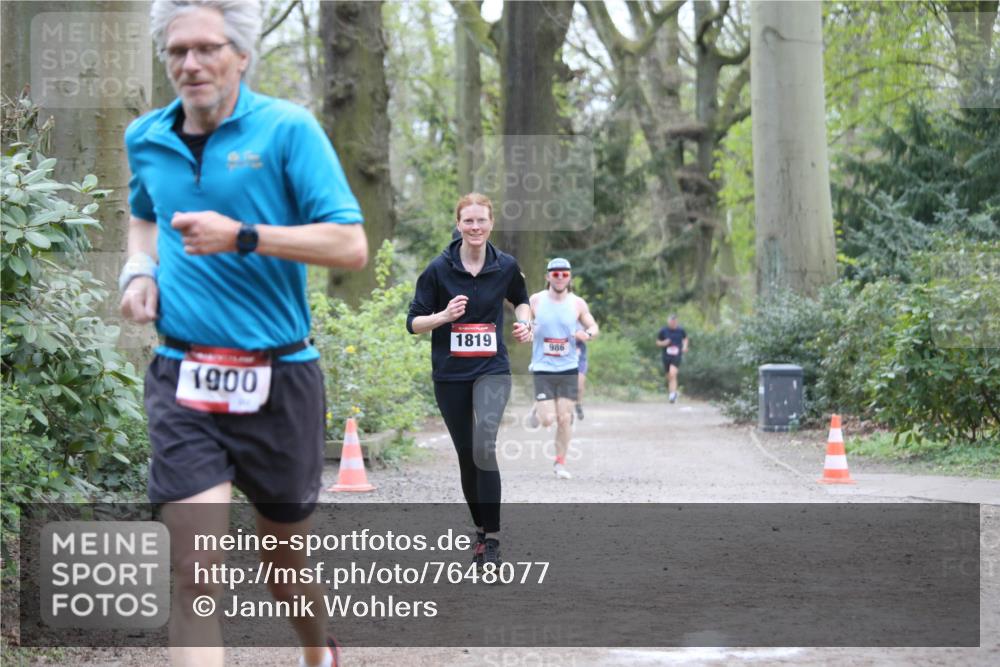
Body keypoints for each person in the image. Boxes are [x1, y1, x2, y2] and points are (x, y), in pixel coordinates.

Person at [118, 2, 367, 665]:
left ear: (241, 55)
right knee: (194, 571)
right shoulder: (146, 136)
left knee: (282, 558)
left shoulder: (289, 130)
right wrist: (138, 272)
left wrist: (244, 237)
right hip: (184, 376)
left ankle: (319, 649)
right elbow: (144, 213)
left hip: (280, 377)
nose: (191, 64)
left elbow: (350, 245)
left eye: (207, 48)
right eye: (177, 51)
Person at [407, 193, 532, 569]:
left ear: (491, 223)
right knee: (466, 456)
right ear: (459, 224)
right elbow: (413, 323)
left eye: (482, 221)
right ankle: (479, 531)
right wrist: (443, 316)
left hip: (492, 369)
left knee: (484, 448)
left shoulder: (505, 266)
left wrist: (525, 321)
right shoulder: (438, 269)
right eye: (469, 221)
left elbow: (521, 299)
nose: (475, 227)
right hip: (451, 375)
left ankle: (492, 540)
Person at [528, 258, 599, 480]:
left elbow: (593, 326)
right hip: (542, 367)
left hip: (568, 367)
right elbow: (524, 321)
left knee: (564, 418)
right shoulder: (536, 300)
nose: (560, 278)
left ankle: (560, 463)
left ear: (569, 277)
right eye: (555, 274)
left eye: (564, 274)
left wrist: (587, 334)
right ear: (548, 276)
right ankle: (538, 408)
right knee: (548, 419)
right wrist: (526, 328)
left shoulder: (577, 303)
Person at [656, 314, 689, 403]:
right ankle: (673, 393)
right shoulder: (663, 331)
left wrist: (685, 347)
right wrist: (664, 343)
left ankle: (672, 395)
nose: (674, 323)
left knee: (672, 373)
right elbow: (658, 343)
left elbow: (685, 339)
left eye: (675, 322)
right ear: (668, 322)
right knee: (669, 376)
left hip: (677, 355)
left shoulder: (681, 330)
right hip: (666, 356)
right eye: (672, 322)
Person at [575, 330, 588, 420]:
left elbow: (591, 333)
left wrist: (584, 335)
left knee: (579, 386)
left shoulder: (582, 320)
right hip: (564, 358)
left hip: (580, 359)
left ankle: (578, 404)